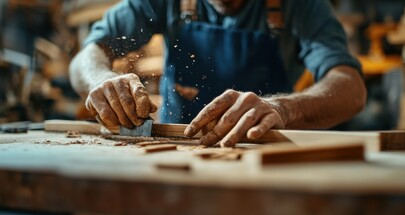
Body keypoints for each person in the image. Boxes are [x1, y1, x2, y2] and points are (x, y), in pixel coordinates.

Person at [69, 0, 367, 147]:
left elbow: (350, 88)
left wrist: (283, 108)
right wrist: (100, 80)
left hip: (264, 157)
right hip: (177, 153)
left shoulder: (300, 6)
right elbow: (86, 57)